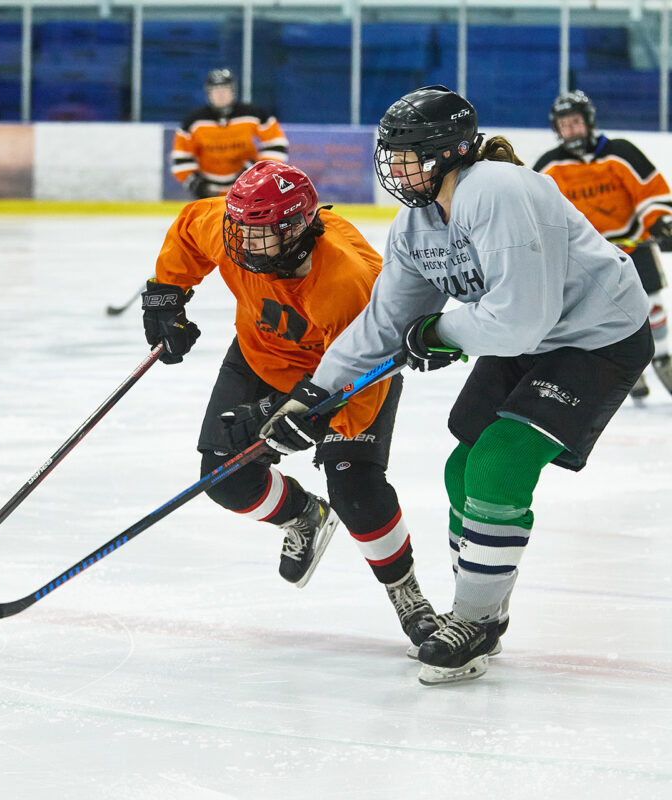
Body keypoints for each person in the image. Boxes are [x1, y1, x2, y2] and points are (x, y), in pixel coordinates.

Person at [259, 86, 653, 686]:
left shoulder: (497, 190)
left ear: (451, 151)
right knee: (458, 469)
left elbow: (522, 318)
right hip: (527, 337)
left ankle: (472, 620)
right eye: (392, 154)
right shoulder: (416, 223)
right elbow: (386, 322)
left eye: (410, 153)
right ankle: (482, 613)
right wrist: (314, 395)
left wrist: (440, 329)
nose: (397, 167)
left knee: (498, 464)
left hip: (595, 337)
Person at [141, 160, 438, 646]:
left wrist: (292, 418)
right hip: (259, 356)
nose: (242, 244)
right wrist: (167, 295)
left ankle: (407, 594)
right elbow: (193, 226)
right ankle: (304, 514)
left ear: (297, 229)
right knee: (226, 482)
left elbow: (360, 389)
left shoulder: (346, 282)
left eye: (258, 235)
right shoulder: (236, 229)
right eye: (240, 230)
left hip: (348, 374)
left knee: (356, 490)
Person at [534, 90, 672, 399]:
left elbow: (650, 194)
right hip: (589, 257)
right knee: (603, 315)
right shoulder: (549, 167)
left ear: (589, 122)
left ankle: (663, 357)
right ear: (557, 129)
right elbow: (536, 211)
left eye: (576, 122)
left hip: (634, 248)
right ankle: (628, 365)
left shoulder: (620, 152)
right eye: (564, 124)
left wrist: (661, 222)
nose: (571, 130)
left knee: (653, 305)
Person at [170, 69, 289, 200]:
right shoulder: (193, 121)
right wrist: (196, 184)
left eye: (225, 89)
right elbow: (181, 156)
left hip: (249, 189)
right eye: (216, 90)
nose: (221, 95)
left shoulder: (253, 114)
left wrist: (256, 171)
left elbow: (277, 144)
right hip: (208, 192)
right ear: (208, 93)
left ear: (233, 91)